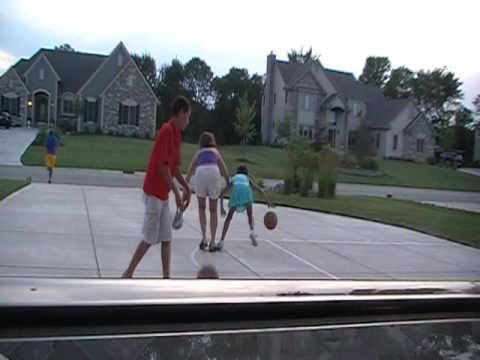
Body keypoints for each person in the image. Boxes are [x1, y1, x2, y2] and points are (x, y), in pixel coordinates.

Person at [122, 96, 192, 279]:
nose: (188, 121)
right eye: (187, 117)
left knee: (166, 238)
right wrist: (177, 192)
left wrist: (186, 187)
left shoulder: (177, 136)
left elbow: (174, 167)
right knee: (149, 238)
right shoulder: (166, 131)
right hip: (154, 191)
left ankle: (166, 278)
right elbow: (162, 166)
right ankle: (128, 273)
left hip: (163, 194)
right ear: (181, 113)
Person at [186, 132, 229, 251]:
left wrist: (186, 182)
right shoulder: (215, 152)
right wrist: (227, 180)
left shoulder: (199, 152)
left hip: (200, 173)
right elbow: (223, 167)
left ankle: (204, 237)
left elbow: (191, 168)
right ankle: (213, 242)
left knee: (201, 207)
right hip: (214, 172)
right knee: (213, 210)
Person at [215, 165, 272, 252]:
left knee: (229, 218)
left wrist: (222, 207)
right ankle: (252, 232)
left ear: (237, 172)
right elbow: (258, 189)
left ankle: (222, 241)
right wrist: (267, 200)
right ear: (246, 173)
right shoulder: (247, 178)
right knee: (250, 215)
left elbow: (222, 193)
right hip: (246, 192)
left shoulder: (235, 178)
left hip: (236, 192)